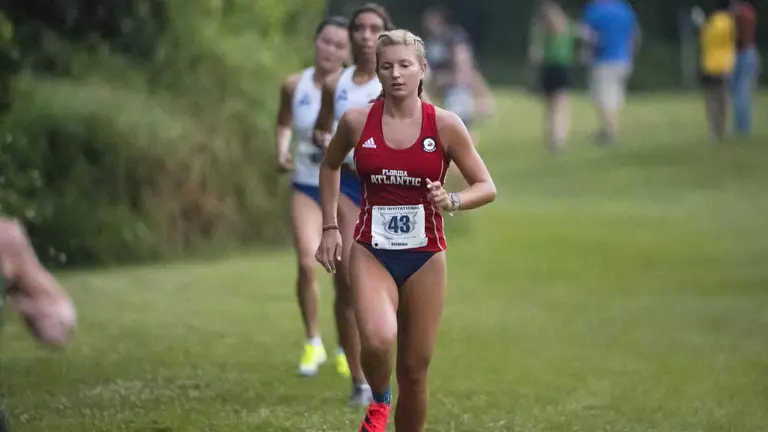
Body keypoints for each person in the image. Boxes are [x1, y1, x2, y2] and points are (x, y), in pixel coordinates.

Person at [315, 29, 496, 432]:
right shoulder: (357, 120)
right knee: (378, 340)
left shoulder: (446, 125)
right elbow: (328, 165)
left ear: (422, 70)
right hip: (371, 249)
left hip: (425, 255)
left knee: (414, 371)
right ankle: (379, 401)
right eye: (386, 66)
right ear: (376, 72)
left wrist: (452, 200)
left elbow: (486, 186)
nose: (395, 74)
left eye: (404, 65)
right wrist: (329, 226)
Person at [312, 2, 394, 406]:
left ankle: (388, 360)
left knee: (390, 280)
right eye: (358, 28)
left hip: (389, 191)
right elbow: (322, 128)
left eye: (373, 28)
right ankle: (360, 380)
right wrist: (325, 140)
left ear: (384, 34)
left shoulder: (396, 81)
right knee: (347, 279)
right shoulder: (336, 83)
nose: (364, 35)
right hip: (347, 184)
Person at [275, 16, 352, 379]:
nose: (331, 50)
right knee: (308, 262)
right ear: (315, 41)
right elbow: (284, 122)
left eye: (339, 45)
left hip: (346, 188)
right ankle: (312, 342)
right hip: (306, 184)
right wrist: (281, 150)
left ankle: (344, 346)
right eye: (325, 42)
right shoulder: (295, 84)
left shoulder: (355, 90)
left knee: (346, 274)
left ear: (349, 51)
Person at [580, 0, 640, 145]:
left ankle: (610, 133)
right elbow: (633, 34)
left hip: (603, 59)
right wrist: (630, 55)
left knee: (603, 98)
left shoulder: (594, 10)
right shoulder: (625, 8)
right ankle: (607, 129)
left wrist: (586, 53)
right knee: (614, 97)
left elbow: (588, 36)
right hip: (623, 59)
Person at [529, 1, 576, 153]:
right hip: (562, 68)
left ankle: (551, 138)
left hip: (547, 69)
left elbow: (535, 54)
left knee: (549, 107)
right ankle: (559, 140)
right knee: (562, 107)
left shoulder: (540, 28)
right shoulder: (567, 25)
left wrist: (533, 73)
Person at [693, 0, 736, 142]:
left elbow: (704, 40)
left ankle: (713, 129)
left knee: (711, 99)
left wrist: (701, 24)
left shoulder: (710, 23)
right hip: (724, 66)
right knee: (723, 98)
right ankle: (722, 128)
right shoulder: (729, 22)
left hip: (709, 65)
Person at [730, 0, 758, 137]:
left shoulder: (736, 12)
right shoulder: (749, 10)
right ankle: (743, 126)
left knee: (739, 93)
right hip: (751, 51)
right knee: (743, 91)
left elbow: (738, 37)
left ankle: (741, 128)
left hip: (740, 53)